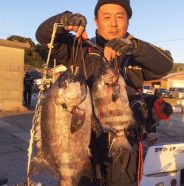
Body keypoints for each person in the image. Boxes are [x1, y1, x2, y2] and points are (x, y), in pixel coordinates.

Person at [36, 0, 173, 185]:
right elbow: (44, 37)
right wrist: (62, 20)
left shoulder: (137, 55)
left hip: (125, 145)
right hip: (83, 144)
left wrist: (134, 46)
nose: (113, 23)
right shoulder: (81, 49)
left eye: (120, 16)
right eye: (106, 17)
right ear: (96, 21)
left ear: (128, 21)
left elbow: (166, 64)